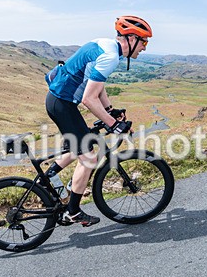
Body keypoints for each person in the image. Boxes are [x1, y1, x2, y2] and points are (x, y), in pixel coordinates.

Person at [44, 15, 152, 226]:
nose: (145, 48)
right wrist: (114, 125)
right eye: (144, 42)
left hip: (60, 102)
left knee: (83, 144)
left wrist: (111, 111)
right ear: (131, 38)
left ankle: (49, 180)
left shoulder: (106, 46)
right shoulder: (111, 56)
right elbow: (89, 99)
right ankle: (72, 212)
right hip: (62, 105)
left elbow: (96, 85)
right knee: (89, 158)